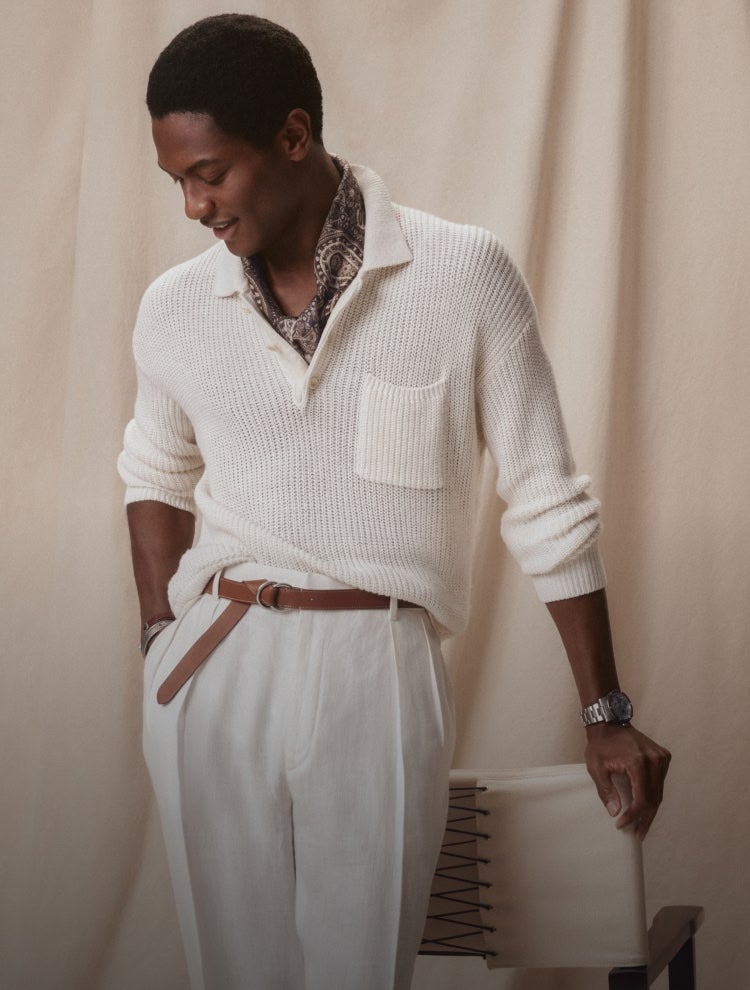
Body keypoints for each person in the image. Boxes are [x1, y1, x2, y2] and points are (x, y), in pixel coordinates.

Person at [118, 13, 671, 990]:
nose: (195, 207)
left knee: (361, 969)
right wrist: (163, 637)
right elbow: (154, 472)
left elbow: (546, 496)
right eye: (179, 183)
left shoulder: (462, 275)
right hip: (215, 663)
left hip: (376, 660)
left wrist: (606, 711)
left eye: (211, 173)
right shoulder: (174, 306)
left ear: (293, 136)